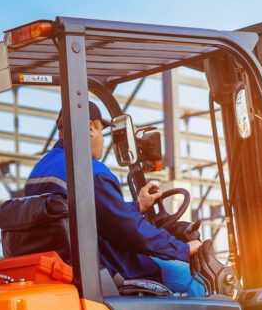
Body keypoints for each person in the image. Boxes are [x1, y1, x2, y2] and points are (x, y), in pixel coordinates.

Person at [25, 102, 205, 296]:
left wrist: (138, 206)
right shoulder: (91, 171)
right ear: (89, 128)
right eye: (102, 131)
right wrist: (181, 249)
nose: (103, 140)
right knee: (191, 277)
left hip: (65, 270)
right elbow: (130, 230)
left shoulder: (39, 171)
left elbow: (93, 214)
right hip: (108, 268)